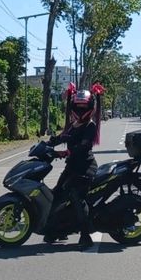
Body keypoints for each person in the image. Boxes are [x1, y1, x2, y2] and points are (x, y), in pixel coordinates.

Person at [44, 82, 104, 249]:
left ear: (90, 108)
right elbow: (64, 137)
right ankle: (58, 230)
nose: (80, 111)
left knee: (77, 198)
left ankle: (85, 236)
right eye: (77, 107)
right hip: (72, 167)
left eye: (83, 108)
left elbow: (83, 146)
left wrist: (65, 153)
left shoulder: (90, 126)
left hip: (85, 168)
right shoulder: (73, 124)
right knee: (56, 195)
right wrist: (49, 143)